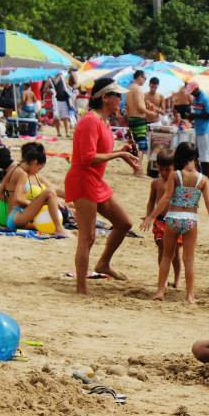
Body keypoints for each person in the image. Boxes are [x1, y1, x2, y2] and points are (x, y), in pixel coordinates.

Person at [64, 78, 139, 295]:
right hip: (83, 179)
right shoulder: (90, 120)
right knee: (87, 237)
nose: (120, 99)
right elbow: (88, 158)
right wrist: (120, 153)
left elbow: (99, 151)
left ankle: (103, 263)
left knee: (124, 223)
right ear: (105, 97)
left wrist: (120, 150)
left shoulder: (103, 121)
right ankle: (81, 287)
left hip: (95, 180)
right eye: (117, 95)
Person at [142, 142, 209, 302]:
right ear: (195, 157)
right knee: (189, 260)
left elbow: (166, 198)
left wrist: (151, 216)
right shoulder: (203, 179)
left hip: (173, 218)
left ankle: (160, 292)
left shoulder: (175, 175)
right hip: (190, 220)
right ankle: (190, 295)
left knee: (166, 256)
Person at [0, 142, 68, 236]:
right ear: (34, 163)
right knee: (49, 192)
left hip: (12, 218)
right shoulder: (22, 174)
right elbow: (18, 198)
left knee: (50, 194)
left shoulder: (14, 168)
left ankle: (60, 228)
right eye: (39, 168)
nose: (38, 171)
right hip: (17, 216)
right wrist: (35, 203)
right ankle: (59, 229)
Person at [142, 150, 181, 292]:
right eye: (161, 169)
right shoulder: (156, 183)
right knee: (161, 250)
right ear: (157, 166)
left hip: (174, 220)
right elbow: (151, 201)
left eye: (168, 169)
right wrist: (148, 216)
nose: (164, 173)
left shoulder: (177, 182)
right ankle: (163, 279)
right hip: (159, 221)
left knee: (175, 253)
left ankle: (177, 278)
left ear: (174, 167)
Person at [125, 70, 155, 175]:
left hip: (132, 118)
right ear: (139, 77)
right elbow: (139, 107)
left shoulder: (129, 88)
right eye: (144, 78)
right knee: (141, 146)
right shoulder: (137, 89)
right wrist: (150, 113)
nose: (145, 80)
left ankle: (136, 168)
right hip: (139, 119)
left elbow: (128, 107)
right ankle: (138, 169)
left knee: (135, 145)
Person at [186, 82, 209, 179]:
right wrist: (190, 116)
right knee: (197, 153)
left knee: (205, 154)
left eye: (192, 92)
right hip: (198, 129)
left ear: (197, 89)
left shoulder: (205, 98)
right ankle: (200, 174)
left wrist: (196, 116)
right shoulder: (195, 99)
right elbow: (195, 112)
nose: (191, 94)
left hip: (206, 130)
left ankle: (207, 177)